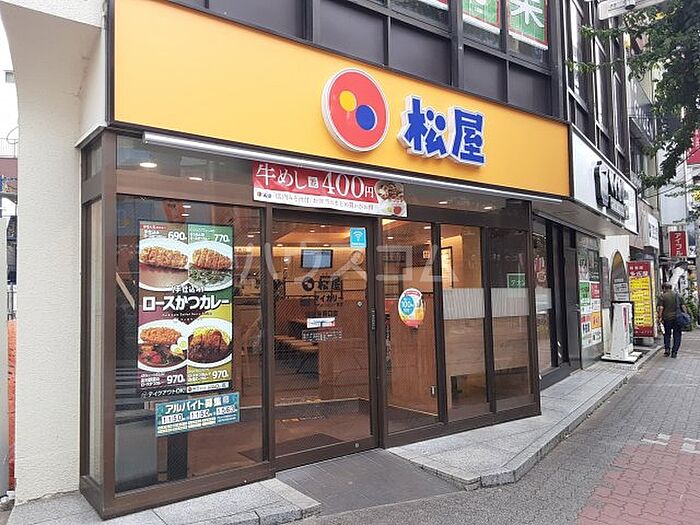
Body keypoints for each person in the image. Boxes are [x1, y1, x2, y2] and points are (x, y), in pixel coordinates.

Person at [656, 282, 688, 358]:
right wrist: (685, 315)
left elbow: (661, 308)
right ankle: (674, 352)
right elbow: (683, 306)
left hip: (667, 319)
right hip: (677, 318)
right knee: (677, 335)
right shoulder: (678, 295)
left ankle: (667, 350)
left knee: (667, 334)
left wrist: (659, 317)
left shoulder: (662, 296)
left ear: (664, 288)